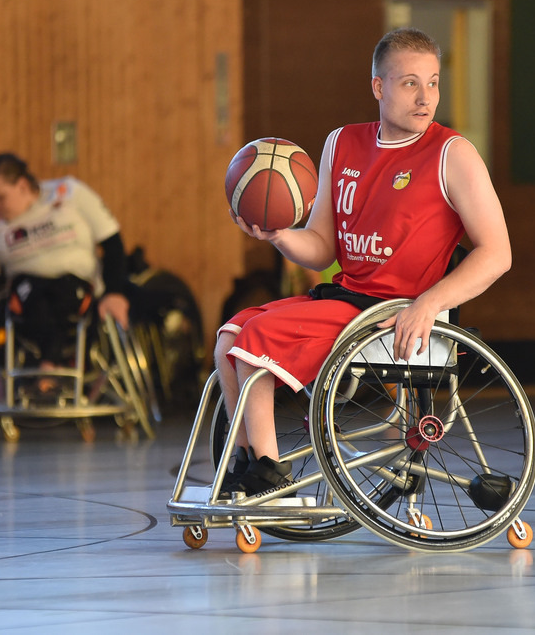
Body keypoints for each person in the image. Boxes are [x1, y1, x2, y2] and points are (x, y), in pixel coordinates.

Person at [215, 28, 512, 495]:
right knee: (229, 338)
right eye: (410, 82)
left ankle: (268, 474)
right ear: (378, 87)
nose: (425, 97)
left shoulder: (453, 155)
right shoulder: (341, 144)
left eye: (433, 82)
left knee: (254, 342)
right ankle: (247, 459)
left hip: (394, 310)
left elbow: (497, 253)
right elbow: (322, 248)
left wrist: (428, 304)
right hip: (347, 298)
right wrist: (278, 235)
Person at [0, 153, 130, 380]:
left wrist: (115, 292)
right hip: (28, 296)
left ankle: (52, 364)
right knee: (29, 293)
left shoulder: (70, 193)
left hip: (80, 288)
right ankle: (50, 365)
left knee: (64, 291)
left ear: (21, 186)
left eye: (0, 197)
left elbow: (113, 244)